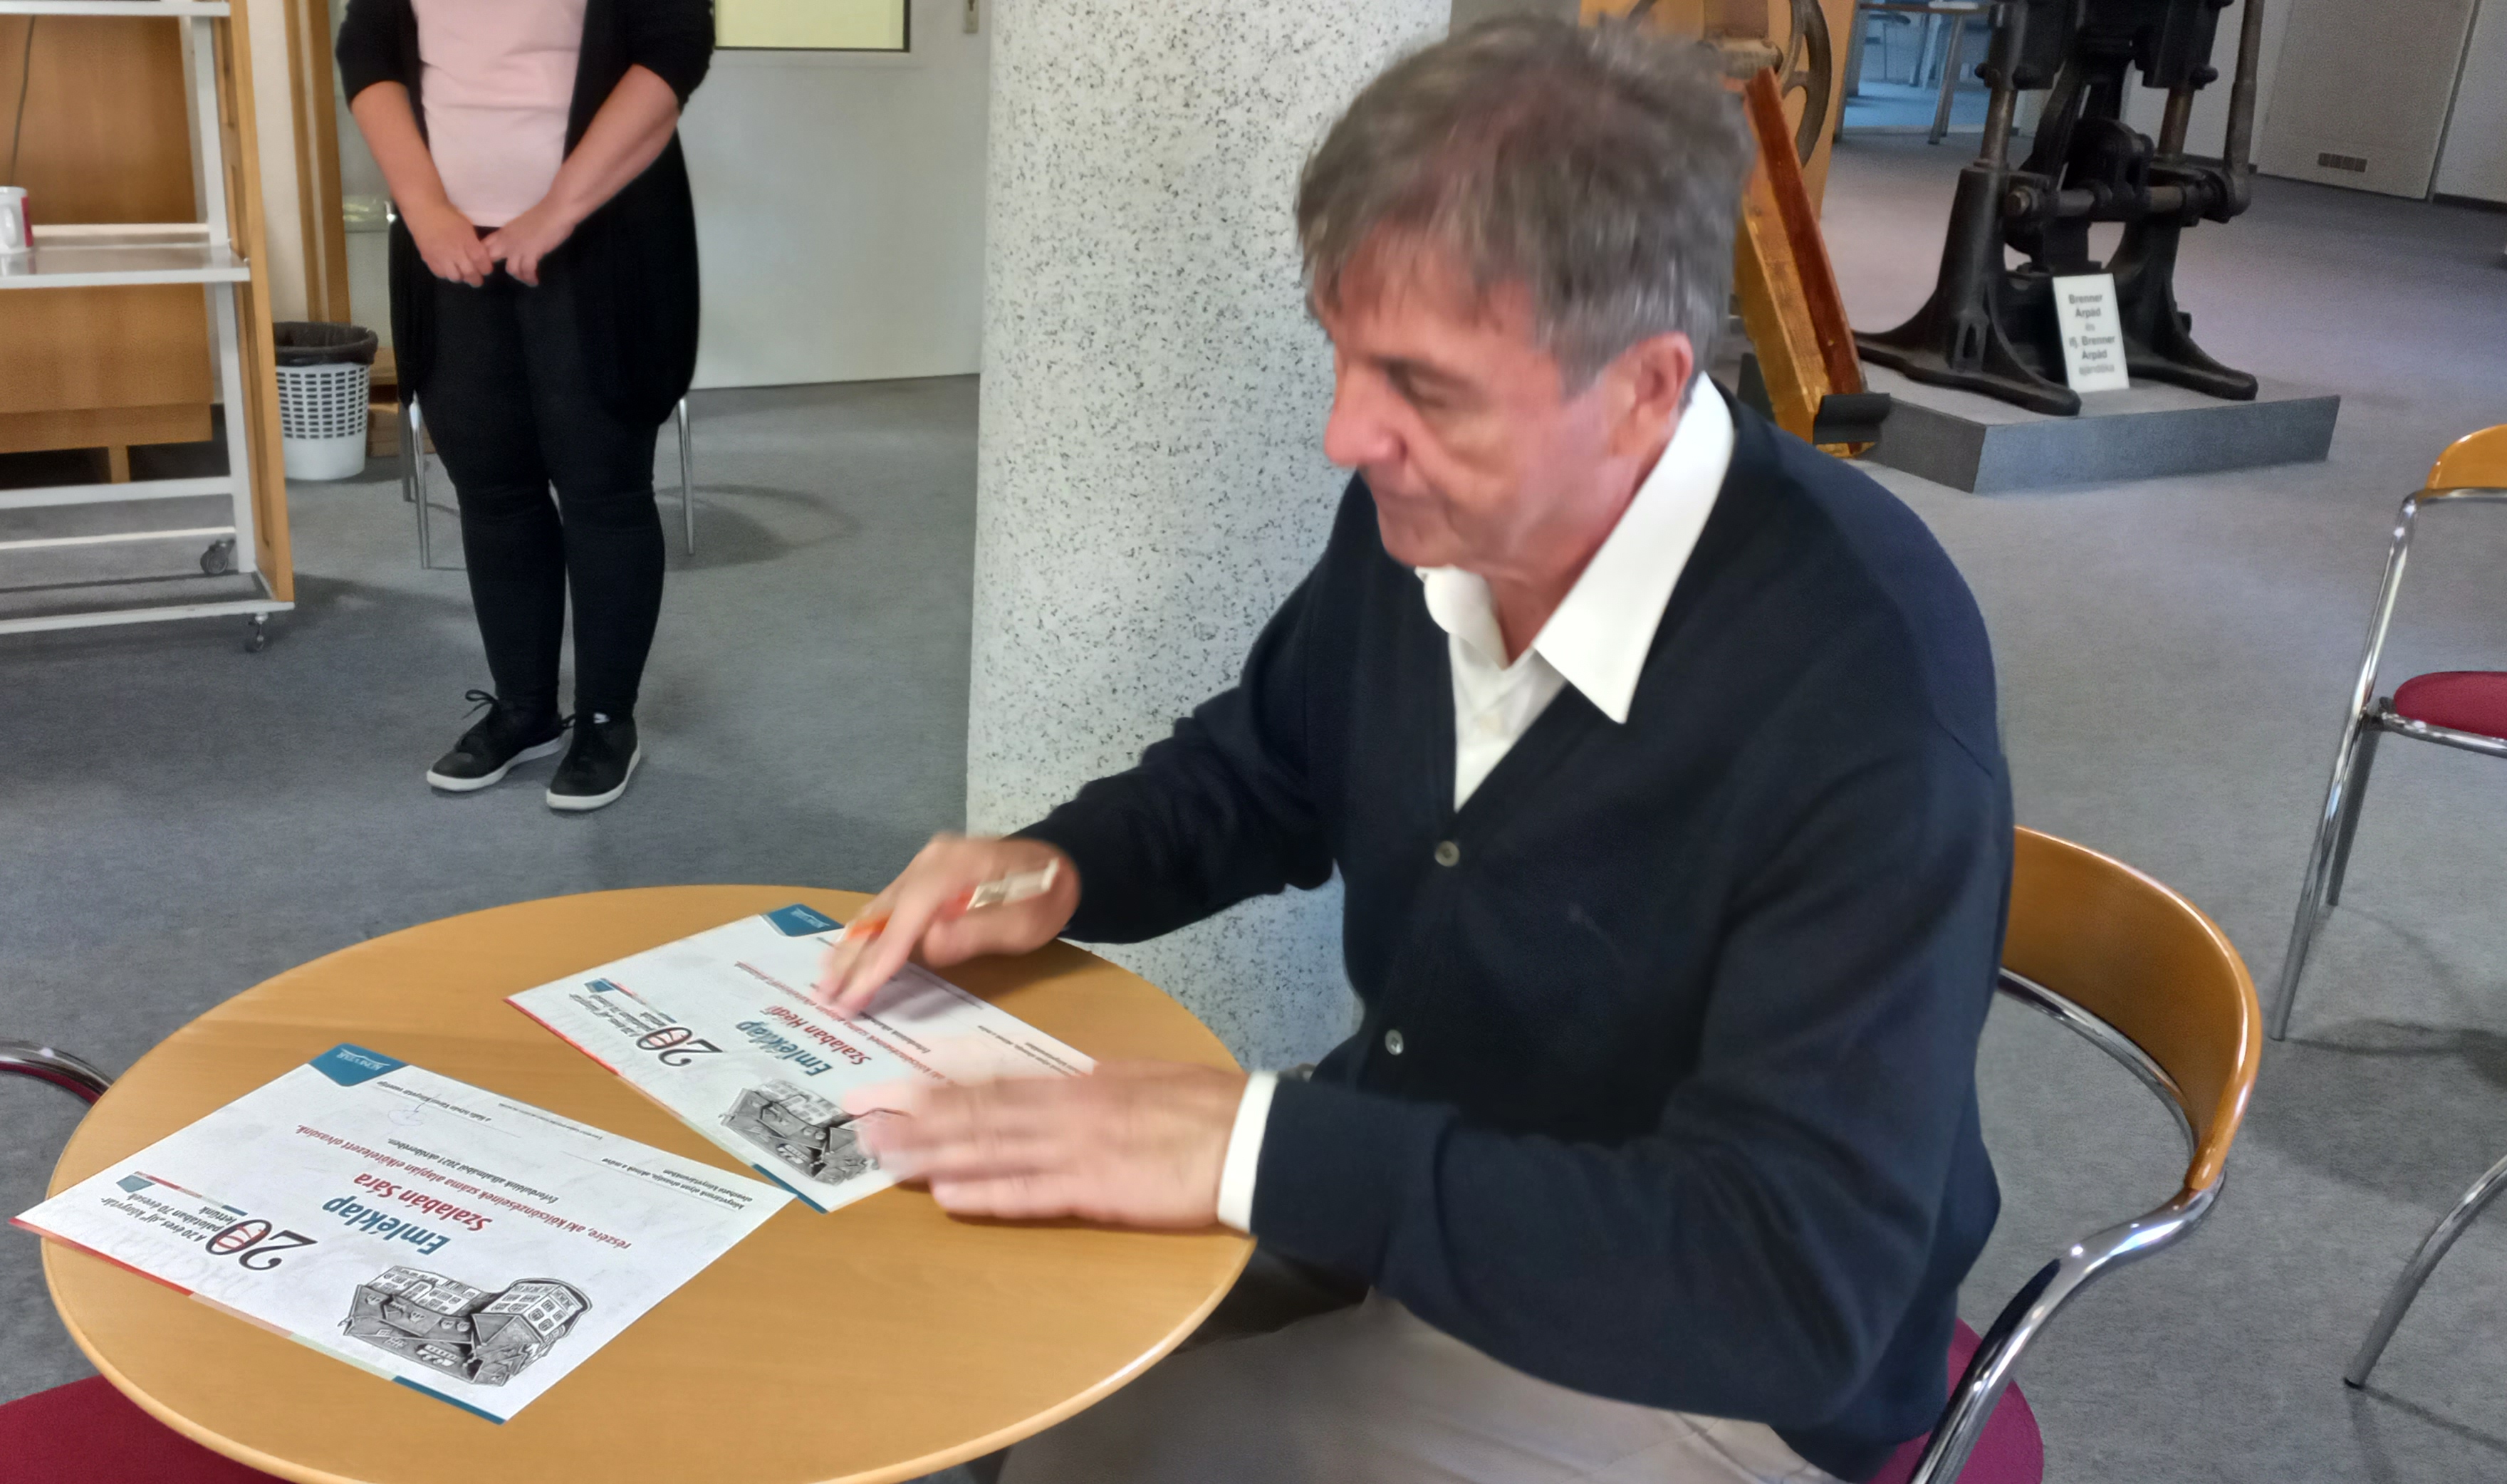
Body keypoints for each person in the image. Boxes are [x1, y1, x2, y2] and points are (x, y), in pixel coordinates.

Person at [813, 19, 2010, 1484]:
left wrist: (1258, 1150)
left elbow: (1789, 1283)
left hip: (1695, 1339)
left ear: (1642, 387)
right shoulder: (1429, 522)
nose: (1341, 434)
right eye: (1339, 351)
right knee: (974, 1322)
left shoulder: (1865, 688)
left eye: (1422, 387)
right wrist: (1058, 865)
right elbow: (1261, 770)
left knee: (1084, 1452)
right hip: (1426, 1177)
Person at [337, 0, 714, 811]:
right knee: (492, 486)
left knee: (602, 486)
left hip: (600, 235)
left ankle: (607, 719)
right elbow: (367, 52)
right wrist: (425, 210)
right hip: (449, 246)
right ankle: (525, 709)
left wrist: (557, 209)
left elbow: (674, 47)